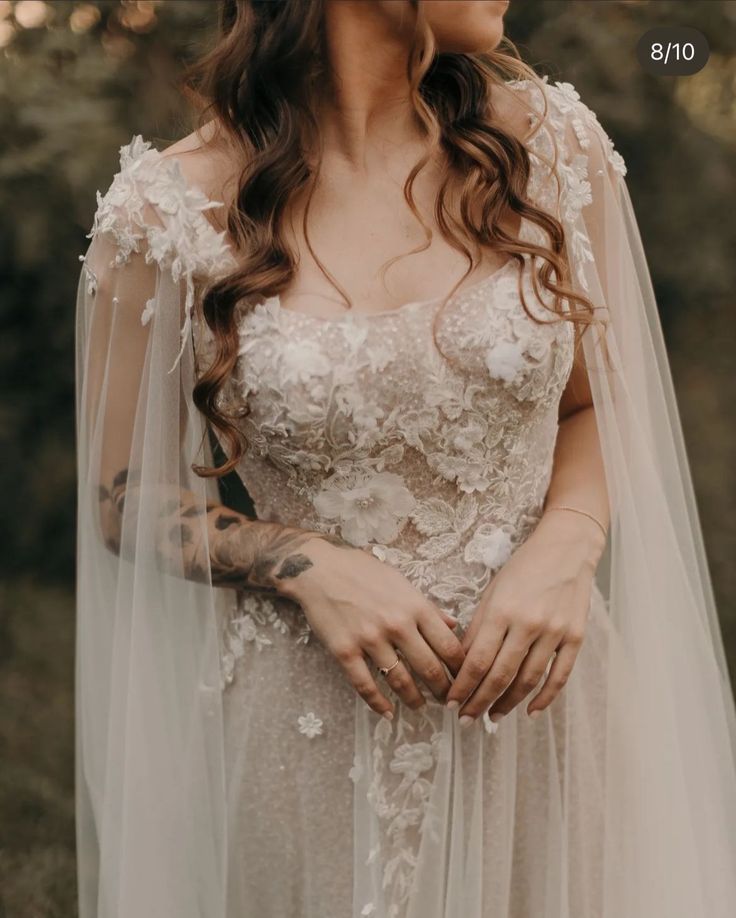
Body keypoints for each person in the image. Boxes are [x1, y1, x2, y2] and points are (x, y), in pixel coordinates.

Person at [74, 2, 736, 916]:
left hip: (546, 716)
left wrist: (566, 545)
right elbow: (121, 499)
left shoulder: (549, 146)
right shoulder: (166, 210)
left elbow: (599, 407)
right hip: (311, 741)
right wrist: (305, 565)